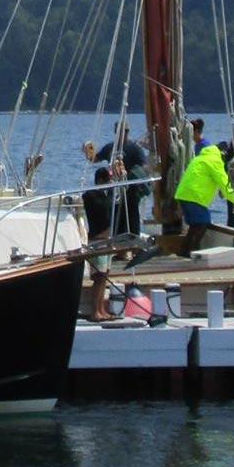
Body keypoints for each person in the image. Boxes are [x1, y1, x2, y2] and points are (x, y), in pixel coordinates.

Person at [94, 122, 150, 235]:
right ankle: (117, 237)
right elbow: (96, 158)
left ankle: (134, 237)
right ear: (116, 132)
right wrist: (89, 152)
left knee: (131, 213)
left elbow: (144, 167)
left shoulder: (134, 149)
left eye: (125, 131)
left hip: (131, 188)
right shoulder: (110, 148)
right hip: (115, 187)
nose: (123, 133)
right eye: (120, 131)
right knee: (115, 215)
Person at [172, 141, 233, 239]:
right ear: (223, 153)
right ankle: (191, 250)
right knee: (204, 222)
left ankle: (185, 252)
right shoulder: (215, 161)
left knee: (195, 226)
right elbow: (224, 183)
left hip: (183, 195)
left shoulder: (201, 157)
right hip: (194, 197)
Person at [81, 167, 118, 321]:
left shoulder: (106, 196)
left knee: (104, 277)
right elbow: (103, 209)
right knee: (98, 277)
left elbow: (111, 209)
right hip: (97, 241)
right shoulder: (91, 196)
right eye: (108, 181)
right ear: (100, 181)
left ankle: (102, 309)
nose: (110, 184)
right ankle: (95, 310)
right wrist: (110, 192)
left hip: (107, 240)